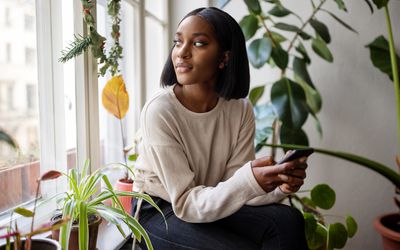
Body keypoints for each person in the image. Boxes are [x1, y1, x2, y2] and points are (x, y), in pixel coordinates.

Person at [131, 7, 309, 250]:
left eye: (199, 43)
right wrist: (247, 180)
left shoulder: (240, 109)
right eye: (178, 42)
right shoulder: (160, 110)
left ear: (224, 58)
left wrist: (279, 186)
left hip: (208, 197)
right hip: (161, 209)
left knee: (288, 221)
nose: (181, 52)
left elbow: (234, 184)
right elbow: (185, 203)